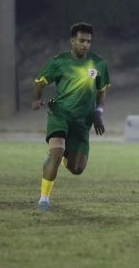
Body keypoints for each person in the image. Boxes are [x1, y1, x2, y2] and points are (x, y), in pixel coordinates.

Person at [32, 22, 111, 211]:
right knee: (56, 152)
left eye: (89, 41)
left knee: (77, 169)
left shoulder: (99, 63)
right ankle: (44, 199)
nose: (85, 45)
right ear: (72, 41)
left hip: (83, 122)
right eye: (82, 40)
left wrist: (98, 113)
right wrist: (36, 99)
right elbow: (40, 82)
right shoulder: (59, 62)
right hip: (60, 114)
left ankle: (60, 156)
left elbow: (102, 91)